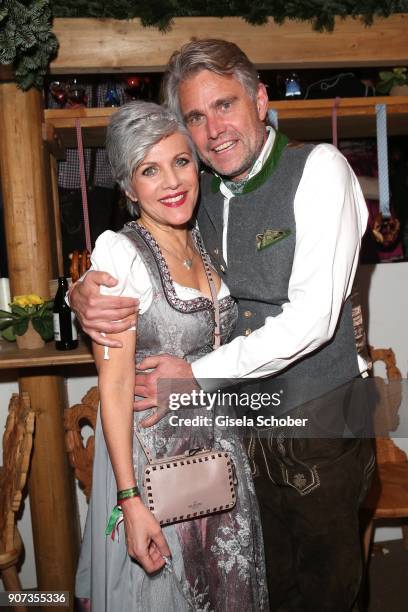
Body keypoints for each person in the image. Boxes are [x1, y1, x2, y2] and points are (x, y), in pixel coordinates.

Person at [71, 40, 374, 611]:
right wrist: (79, 291)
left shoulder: (320, 170)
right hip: (234, 436)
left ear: (261, 100)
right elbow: (132, 256)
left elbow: (311, 320)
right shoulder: (196, 195)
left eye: (226, 105)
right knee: (263, 590)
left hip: (320, 427)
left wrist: (194, 374)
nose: (213, 130)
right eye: (196, 118)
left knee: (326, 594)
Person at [75, 100, 268, 612]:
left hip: (219, 455)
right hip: (156, 467)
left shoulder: (203, 238)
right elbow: (114, 387)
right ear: (127, 185)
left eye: (181, 162)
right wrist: (129, 501)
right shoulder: (119, 255)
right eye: (149, 170)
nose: (172, 182)